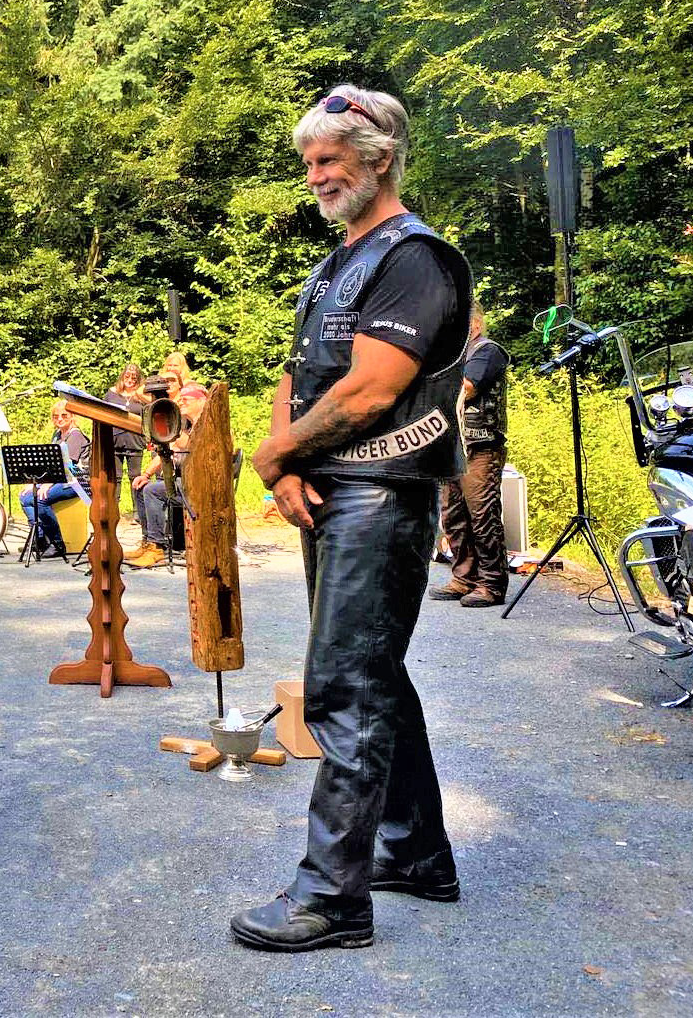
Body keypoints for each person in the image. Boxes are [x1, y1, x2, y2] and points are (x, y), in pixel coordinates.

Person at [234, 85, 472, 952]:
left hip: (383, 495)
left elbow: (371, 389)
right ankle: (415, 856)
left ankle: (332, 900)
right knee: (377, 677)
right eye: (308, 162)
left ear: (381, 157)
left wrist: (276, 456)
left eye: (330, 159)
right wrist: (286, 456)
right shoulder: (341, 259)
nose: (316, 175)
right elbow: (302, 375)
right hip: (335, 493)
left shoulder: (415, 257)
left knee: (347, 689)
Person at [430, 304, 509, 607]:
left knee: (482, 515)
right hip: (453, 446)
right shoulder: (454, 355)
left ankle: (492, 584)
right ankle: (464, 578)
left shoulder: (487, 351)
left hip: (480, 446)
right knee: (454, 516)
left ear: (474, 325)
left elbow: (469, 386)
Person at [126, 383, 207, 567]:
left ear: (202, 401)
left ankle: (158, 547)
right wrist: (145, 474)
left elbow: (193, 447)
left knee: (153, 491)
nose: (181, 401)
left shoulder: (208, 425)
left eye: (186, 398)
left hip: (200, 485)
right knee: (142, 487)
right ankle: (148, 542)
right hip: (186, 481)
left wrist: (172, 428)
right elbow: (168, 449)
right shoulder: (189, 427)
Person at [18, 400, 91, 559]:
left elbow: (68, 467)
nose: (59, 419)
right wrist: (35, 482)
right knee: (24, 497)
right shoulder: (57, 435)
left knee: (41, 498)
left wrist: (48, 485)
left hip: (78, 481)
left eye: (64, 415)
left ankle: (57, 543)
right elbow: (51, 463)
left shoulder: (76, 435)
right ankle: (39, 538)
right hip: (61, 478)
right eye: (55, 416)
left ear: (72, 417)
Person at [105, 364, 147, 520]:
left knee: (134, 476)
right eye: (127, 377)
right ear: (122, 377)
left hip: (135, 440)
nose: (130, 380)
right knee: (115, 477)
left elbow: (148, 415)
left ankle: (138, 512)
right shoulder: (111, 393)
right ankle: (114, 511)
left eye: (134, 378)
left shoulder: (141, 396)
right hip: (114, 440)